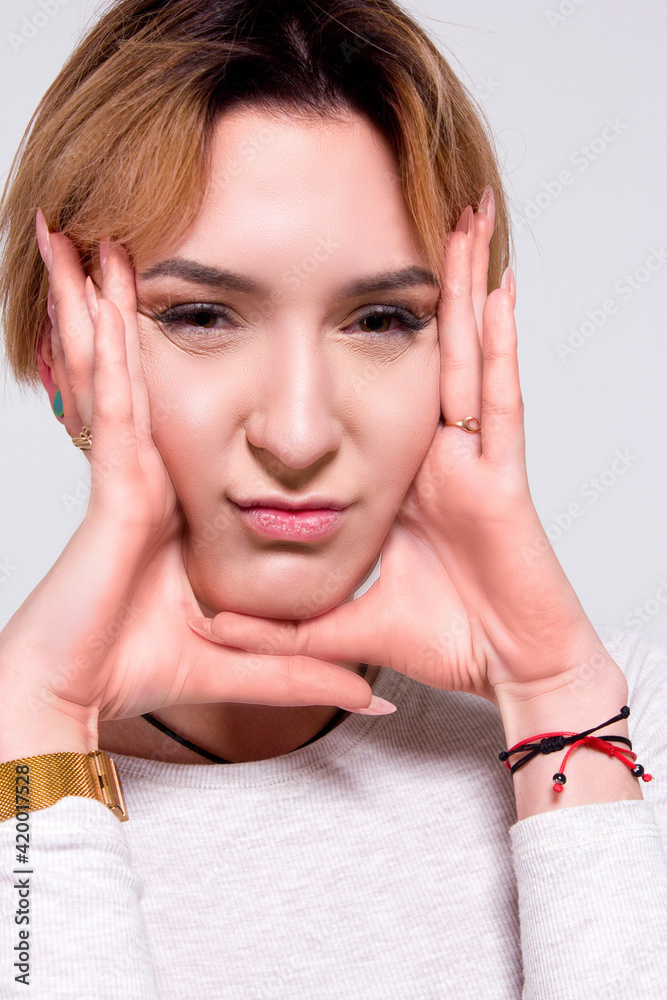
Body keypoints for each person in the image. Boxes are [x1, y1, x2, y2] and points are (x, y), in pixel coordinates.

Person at [0, 0, 666, 996]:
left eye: (382, 318)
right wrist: (33, 732)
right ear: (62, 354)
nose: (300, 431)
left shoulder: (626, 716)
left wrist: (555, 702)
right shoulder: (12, 754)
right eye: (203, 313)